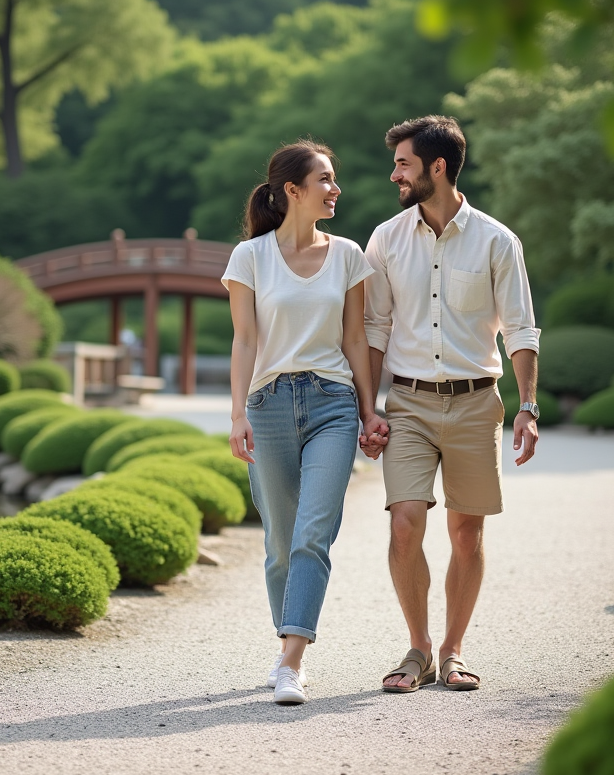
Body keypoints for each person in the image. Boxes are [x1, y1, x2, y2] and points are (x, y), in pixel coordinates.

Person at [362, 115, 541, 693]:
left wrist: (528, 406)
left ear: (437, 168)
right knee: (405, 524)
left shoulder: (497, 240)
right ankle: (416, 648)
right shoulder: (386, 239)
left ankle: (453, 648)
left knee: (467, 534)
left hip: (474, 403)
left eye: (404, 164)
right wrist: (369, 408)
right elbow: (374, 328)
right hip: (409, 404)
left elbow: (520, 329)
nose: (395, 175)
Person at [224, 140, 388, 705]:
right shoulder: (250, 258)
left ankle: (291, 661)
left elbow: (354, 338)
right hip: (267, 404)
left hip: (332, 404)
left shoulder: (347, 255)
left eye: (334, 178)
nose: (335, 188)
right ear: (292, 190)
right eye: (324, 179)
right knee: (278, 543)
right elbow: (244, 341)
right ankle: (285, 646)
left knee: (313, 535)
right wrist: (237, 411)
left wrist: (370, 410)